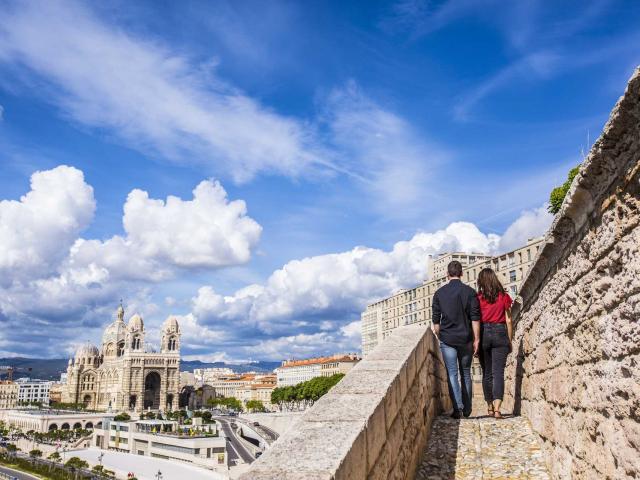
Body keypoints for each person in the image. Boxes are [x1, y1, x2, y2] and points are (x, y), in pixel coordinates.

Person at [432, 260, 481, 419]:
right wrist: (477, 339)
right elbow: (475, 318)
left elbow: (436, 321)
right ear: (461, 273)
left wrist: (440, 336)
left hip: (448, 338)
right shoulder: (470, 292)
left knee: (452, 373)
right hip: (465, 338)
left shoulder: (439, 293)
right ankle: (467, 409)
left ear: (447, 274)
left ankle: (457, 409)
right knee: (466, 373)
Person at [477, 267, 513, 419]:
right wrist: (509, 340)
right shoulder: (504, 296)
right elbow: (509, 320)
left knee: (487, 373)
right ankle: (498, 409)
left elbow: (475, 321)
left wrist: (475, 341)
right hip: (500, 332)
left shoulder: (478, 299)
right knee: (498, 372)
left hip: (484, 333)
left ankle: (489, 406)